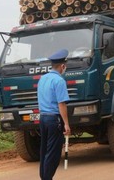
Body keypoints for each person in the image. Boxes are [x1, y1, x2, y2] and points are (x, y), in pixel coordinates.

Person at [38, 49, 71, 180]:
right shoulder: (59, 81)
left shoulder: (42, 79)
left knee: (44, 150)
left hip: (43, 118)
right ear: (62, 66)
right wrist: (66, 124)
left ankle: (44, 176)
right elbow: (61, 104)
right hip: (54, 120)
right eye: (65, 67)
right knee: (53, 153)